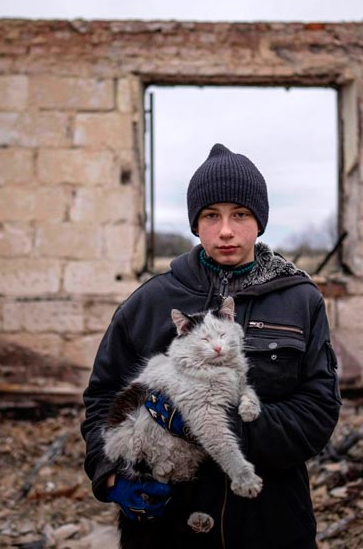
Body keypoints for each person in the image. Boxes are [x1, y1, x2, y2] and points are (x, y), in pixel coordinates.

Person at [80, 143, 341, 549]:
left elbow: (318, 410)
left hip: (269, 522)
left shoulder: (300, 301)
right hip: (166, 526)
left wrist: (221, 426)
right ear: (195, 223)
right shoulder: (149, 303)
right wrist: (109, 475)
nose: (225, 230)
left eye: (239, 214)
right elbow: (102, 395)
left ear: (260, 221)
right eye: (210, 215)